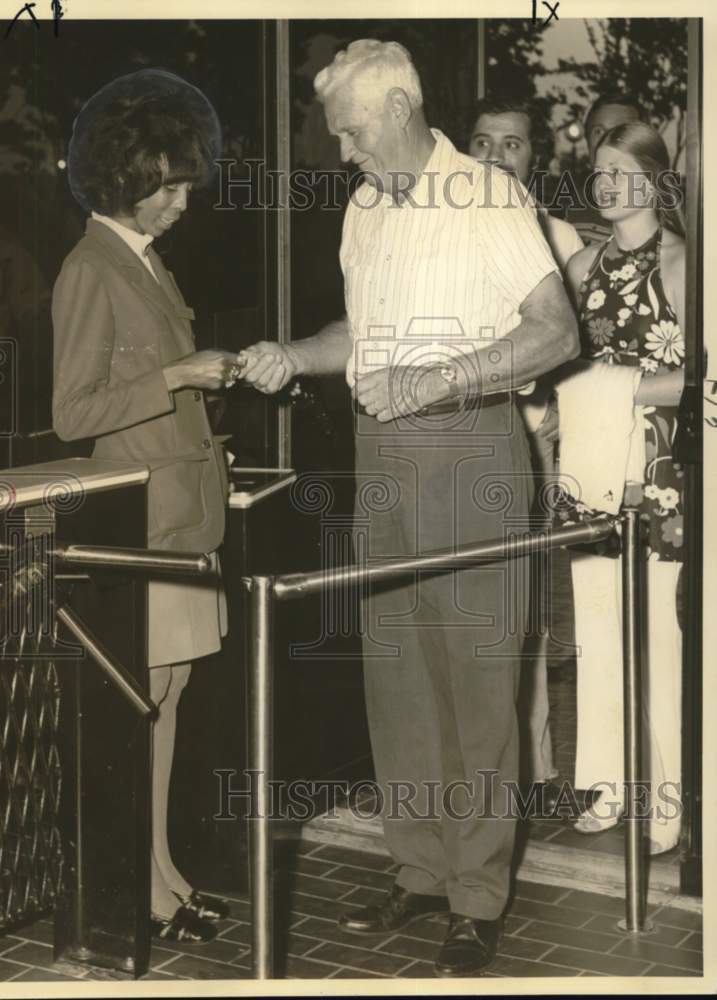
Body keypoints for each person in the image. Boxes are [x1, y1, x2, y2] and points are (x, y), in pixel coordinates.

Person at [240, 40, 578, 976]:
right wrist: (293, 354)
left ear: (395, 110)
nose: (342, 148)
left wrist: (437, 380)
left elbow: (554, 329)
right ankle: (419, 866)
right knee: (395, 677)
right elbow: (360, 334)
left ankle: (475, 896)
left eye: (348, 129)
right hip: (378, 453)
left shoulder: (486, 196)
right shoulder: (363, 209)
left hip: (468, 447)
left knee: (474, 682)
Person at [52, 69, 240, 942]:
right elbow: (73, 413)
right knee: (145, 714)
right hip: (142, 527)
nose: (181, 202)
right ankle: (146, 889)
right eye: (168, 185)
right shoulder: (91, 267)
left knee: (167, 707)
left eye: (184, 184)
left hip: (181, 518)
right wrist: (178, 375)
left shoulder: (145, 260)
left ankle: (164, 877)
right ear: (126, 180)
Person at [560, 122, 685, 853]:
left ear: (654, 179)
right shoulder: (578, 268)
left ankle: (667, 800)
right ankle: (607, 785)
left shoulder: (680, 263)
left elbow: (699, 379)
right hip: (589, 465)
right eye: (596, 171)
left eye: (618, 170)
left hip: (659, 471)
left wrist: (612, 387)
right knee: (597, 627)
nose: (605, 183)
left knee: (659, 637)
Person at [468, 98, 584, 808]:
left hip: (532, 442)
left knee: (533, 610)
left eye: (511, 145)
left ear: (532, 157)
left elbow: (581, 339)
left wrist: (561, 413)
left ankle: (535, 769)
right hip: (462, 440)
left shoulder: (558, 234)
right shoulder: (441, 231)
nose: (493, 158)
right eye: (481, 142)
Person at [567, 94, 646, 246]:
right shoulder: (564, 206)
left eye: (621, 131)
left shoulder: (666, 212)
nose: (607, 141)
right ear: (587, 140)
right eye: (598, 131)